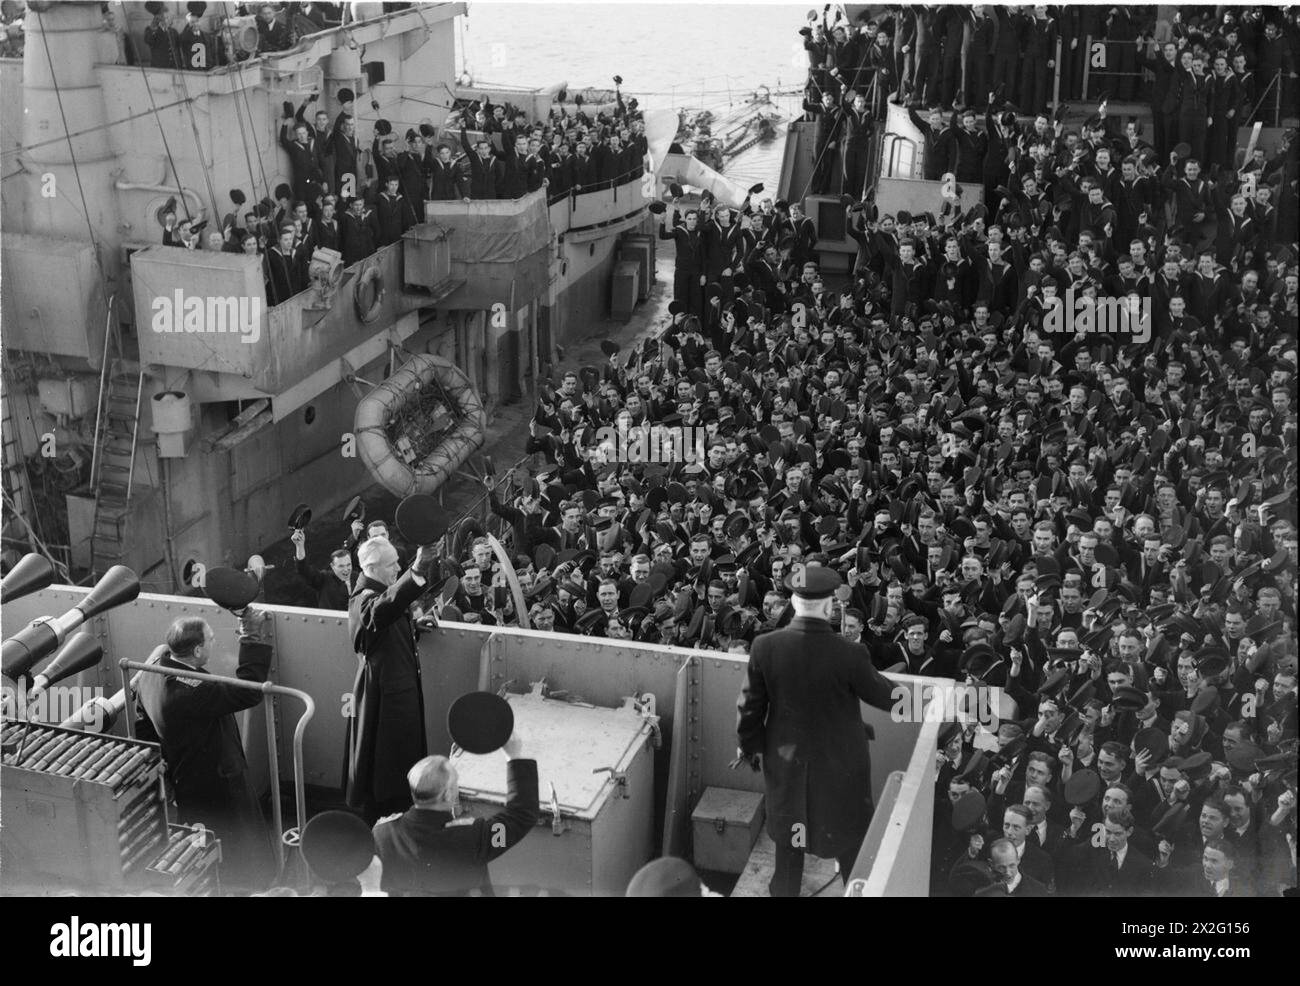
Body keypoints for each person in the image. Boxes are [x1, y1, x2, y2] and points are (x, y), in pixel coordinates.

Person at [736, 565, 895, 897]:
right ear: (827, 606)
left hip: (789, 772)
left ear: (793, 602)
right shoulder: (850, 653)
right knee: (849, 845)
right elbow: (887, 697)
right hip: (840, 776)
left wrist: (749, 746)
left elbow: (750, 709)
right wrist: (940, 703)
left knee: (791, 848)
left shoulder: (765, 646)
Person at [134, 606, 275, 891]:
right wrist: (251, 638)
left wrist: (160, 763)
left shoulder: (152, 671)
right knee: (239, 852)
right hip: (218, 784)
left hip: (185, 778)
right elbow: (248, 690)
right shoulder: (192, 691)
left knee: (200, 843)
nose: (214, 642)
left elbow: (142, 719)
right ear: (197, 651)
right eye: (210, 639)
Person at [372, 730, 538, 896]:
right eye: (455, 783)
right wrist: (514, 757)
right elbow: (521, 815)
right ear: (447, 795)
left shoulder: (381, 833)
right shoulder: (475, 838)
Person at [344, 536, 438, 823]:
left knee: (395, 760)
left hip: (392, 694)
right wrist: (418, 569)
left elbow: (388, 617)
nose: (398, 568)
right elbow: (380, 611)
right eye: (392, 564)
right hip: (385, 700)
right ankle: (389, 822)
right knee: (387, 767)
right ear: (371, 568)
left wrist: (412, 626)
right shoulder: (363, 600)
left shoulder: (378, 590)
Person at [292, 527, 353, 610]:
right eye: (341, 566)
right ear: (332, 566)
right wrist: (299, 546)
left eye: (348, 565)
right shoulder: (324, 579)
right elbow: (304, 570)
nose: (346, 569)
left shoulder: (359, 578)